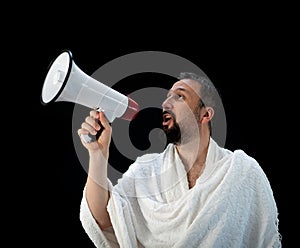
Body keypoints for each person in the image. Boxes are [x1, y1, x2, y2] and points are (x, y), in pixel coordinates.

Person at [77, 72, 282, 247]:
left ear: (205, 115)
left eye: (180, 96)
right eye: (167, 97)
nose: (166, 103)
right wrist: (98, 155)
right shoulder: (145, 170)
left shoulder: (241, 172)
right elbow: (103, 220)